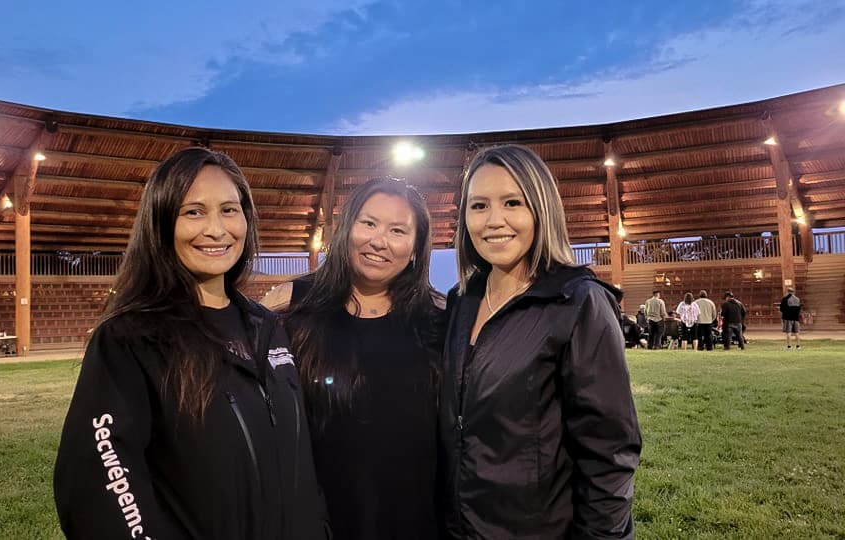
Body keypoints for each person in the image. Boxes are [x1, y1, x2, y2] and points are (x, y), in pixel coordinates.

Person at [53, 147, 327, 540]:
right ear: (162, 223)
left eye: (229, 210)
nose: (216, 229)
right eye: (194, 212)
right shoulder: (132, 338)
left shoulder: (267, 327)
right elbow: (98, 484)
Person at [439, 145, 641, 539]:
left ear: (540, 209)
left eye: (512, 202)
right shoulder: (460, 301)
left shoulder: (579, 301)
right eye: (478, 206)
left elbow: (608, 451)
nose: (494, 221)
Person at [262, 177, 444, 540]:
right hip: (319, 520)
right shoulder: (295, 312)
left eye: (397, 230)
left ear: (416, 248)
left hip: (418, 521)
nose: (379, 241)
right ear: (346, 229)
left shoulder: (440, 321)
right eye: (369, 223)